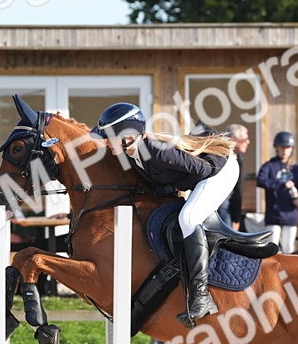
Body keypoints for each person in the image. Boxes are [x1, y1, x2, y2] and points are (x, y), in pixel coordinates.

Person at [91, 102, 238, 328]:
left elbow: (203, 170)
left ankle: (201, 295)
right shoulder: (132, 154)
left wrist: (179, 188)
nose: (105, 142)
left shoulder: (156, 150)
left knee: (188, 218)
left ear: (127, 136)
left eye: (109, 137)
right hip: (204, 173)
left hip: (220, 171)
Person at [257, 131, 298, 254]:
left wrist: (297, 198)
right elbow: (260, 181)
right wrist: (281, 185)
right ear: (276, 147)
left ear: (292, 149)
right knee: (272, 250)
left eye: (288, 147)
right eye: (282, 147)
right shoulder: (269, 165)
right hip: (274, 215)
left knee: (289, 250)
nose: (285, 151)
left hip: (290, 215)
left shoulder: (295, 169)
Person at [223, 124, 250, 230]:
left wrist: (236, 217)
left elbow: (237, 190)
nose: (248, 142)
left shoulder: (237, 158)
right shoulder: (220, 158)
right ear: (233, 140)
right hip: (219, 209)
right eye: (245, 139)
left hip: (228, 209)